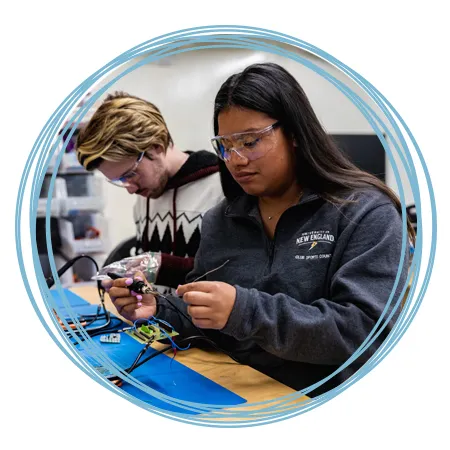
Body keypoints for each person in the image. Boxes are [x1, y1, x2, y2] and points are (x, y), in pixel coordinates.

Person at [106, 63, 414, 396]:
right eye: (225, 145)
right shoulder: (220, 221)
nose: (236, 160)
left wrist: (245, 311)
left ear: (295, 134)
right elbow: (206, 315)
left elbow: (366, 331)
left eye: (251, 142)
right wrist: (159, 308)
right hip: (236, 389)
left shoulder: (365, 214)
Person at [76, 92, 224, 293]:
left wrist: (161, 267)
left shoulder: (221, 188)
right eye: (118, 181)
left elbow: (232, 274)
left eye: (130, 174)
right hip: (156, 322)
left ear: (156, 146)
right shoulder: (144, 198)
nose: (130, 189)